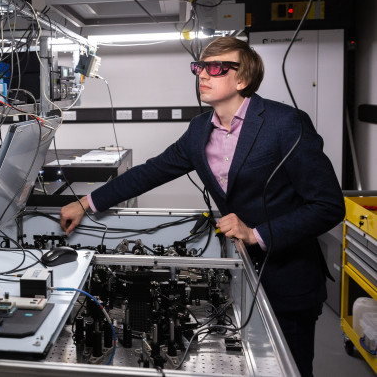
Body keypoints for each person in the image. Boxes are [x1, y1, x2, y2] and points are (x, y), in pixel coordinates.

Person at [59, 36, 344, 377]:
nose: (203, 76)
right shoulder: (199, 131)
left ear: (243, 79)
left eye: (216, 68)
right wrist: (86, 202)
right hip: (241, 278)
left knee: (290, 369)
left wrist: (257, 233)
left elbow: (328, 206)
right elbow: (153, 171)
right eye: (200, 68)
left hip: (289, 279)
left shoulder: (285, 124)